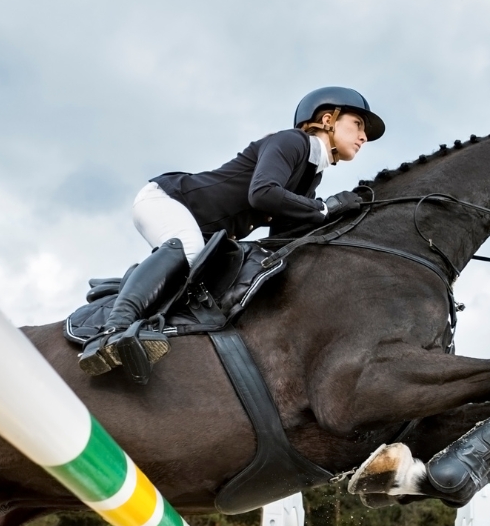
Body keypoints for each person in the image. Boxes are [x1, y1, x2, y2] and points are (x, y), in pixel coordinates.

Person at [79, 86, 386, 384]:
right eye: (357, 124)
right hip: (167, 200)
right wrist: (323, 208)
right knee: (188, 247)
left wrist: (342, 219)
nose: (363, 137)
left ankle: (128, 296)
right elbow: (263, 193)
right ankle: (112, 330)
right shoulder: (292, 142)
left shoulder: (310, 175)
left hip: (201, 229)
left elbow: (281, 239)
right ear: (328, 119)